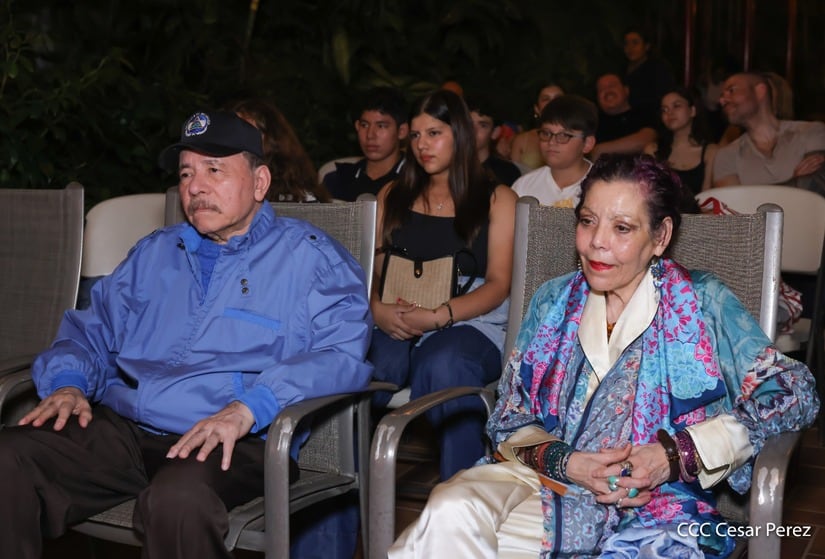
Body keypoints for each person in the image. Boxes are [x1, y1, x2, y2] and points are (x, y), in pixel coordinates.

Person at [389, 153, 819, 558]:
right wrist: (569, 462)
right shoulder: (553, 301)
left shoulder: (702, 302)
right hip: (547, 481)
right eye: (588, 221)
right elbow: (510, 416)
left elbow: (793, 390)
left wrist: (674, 455)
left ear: (661, 237)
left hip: (657, 503)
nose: (596, 243)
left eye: (622, 228)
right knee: (449, 510)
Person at [0, 110, 373, 559]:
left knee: (177, 502)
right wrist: (68, 382)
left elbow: (341, 355)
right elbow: (90, 331)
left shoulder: (309, 259)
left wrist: (251, 406)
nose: (195, 186)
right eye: (186, 173)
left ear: (259, 183)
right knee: (8, 459)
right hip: (127, 428)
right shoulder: (156, 252)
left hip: (234, 439)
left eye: (214, 170)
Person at [369, 90, 517, 480]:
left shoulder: (496, 198)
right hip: (396, 315)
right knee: (363, 362)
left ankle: (460, 495)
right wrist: (377, 309)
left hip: (469, 319)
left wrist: (439, 316)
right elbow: (369, 269)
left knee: (445, 362)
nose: (422, 145)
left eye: (434, 133)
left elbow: (500, 284)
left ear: (460, 135)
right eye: (415, 136)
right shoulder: (393, 194)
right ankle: (346, 484)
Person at [712, 71, 825, 193]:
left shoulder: (811, 132)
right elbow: (733, 206)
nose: (722, 100)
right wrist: (793, 182)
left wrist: (756, 195)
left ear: (760, 91)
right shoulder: (726, 156)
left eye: (731, 90)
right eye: (722, 95)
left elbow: (815, 187)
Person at [228, 97, 332, 202]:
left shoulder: (297, 198)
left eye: (247, 132)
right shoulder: (225, 182)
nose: (237, 140)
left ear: (271, 140)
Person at [323, 86, 409, 201]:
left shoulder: (416, 182)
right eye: (364, 125)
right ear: (357, 126)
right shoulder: (337, 181)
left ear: (402, 131)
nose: (370, 135)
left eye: (381, 126)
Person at [512, 94, 597, 207]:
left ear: (587, 143)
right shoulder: (523, 187)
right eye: (546, 133)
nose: (551, 142)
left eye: (563, 136)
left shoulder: (603, 185)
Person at [646, 87, 718, 194]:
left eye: (676, 106)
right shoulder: (652, 150)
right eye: (664, 110)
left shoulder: (710, 151)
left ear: (692, 111)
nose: (669, 113)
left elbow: (707, 197)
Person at [592, 73, 657, 160]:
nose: (607, 91)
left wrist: (599, 150)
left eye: (612, 85)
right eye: (601, 89)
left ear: (626, 90)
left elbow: (645, 140)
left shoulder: (644, 113)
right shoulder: (592, 124)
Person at [465, 93, 523, 187]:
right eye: (468, 123)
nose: (473, 131)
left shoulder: (507, 173)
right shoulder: (446, 168)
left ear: (495, 132)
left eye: (483, 125)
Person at [622, 27, 676, 121]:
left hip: (651, 119)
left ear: (646, 46)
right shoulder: (621, 69)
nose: (630, 48)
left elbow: (662, 97)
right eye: (626, 44)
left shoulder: (657, 68)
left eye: (635, 43)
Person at [509, 82, 565, 170]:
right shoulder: (522, 140)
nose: (553, 103)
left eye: (558, 98)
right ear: (537, 109)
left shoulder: (576, 139)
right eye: (546, 99)